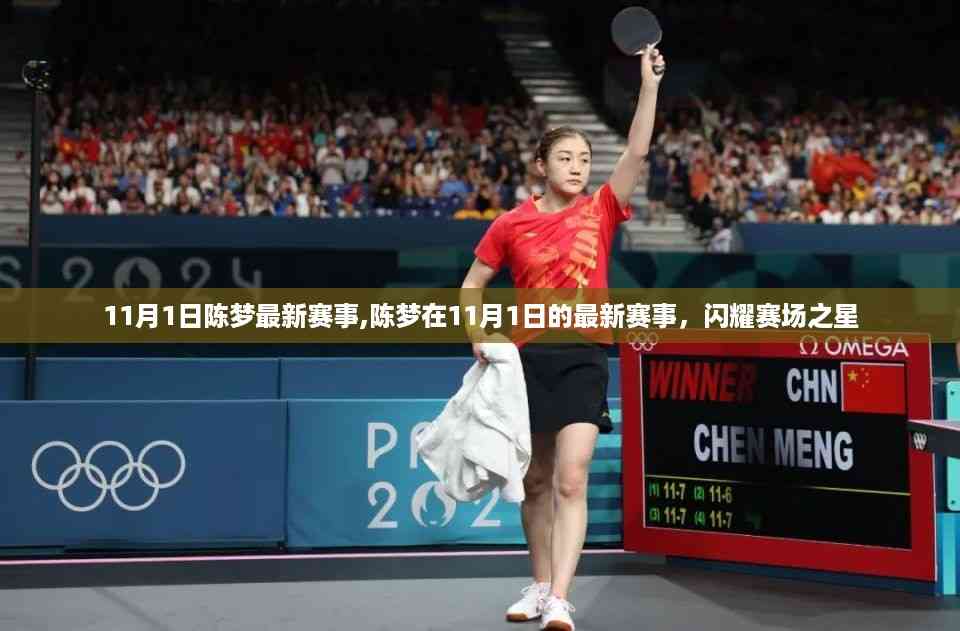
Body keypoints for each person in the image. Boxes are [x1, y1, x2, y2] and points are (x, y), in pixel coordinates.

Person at [459, 46, 665, 631]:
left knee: (572, 476)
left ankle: (560, 598)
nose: (578, 167)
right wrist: (478, 334)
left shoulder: (602, 209)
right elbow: (472, 285)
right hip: (527, 361)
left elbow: (637, 151)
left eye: (584, 159)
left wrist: (648, 86)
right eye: (566, 158)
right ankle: (539, 583)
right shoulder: (510, 224)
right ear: (541, 165)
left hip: (584, 356)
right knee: (535, 480)